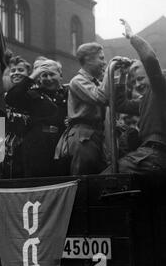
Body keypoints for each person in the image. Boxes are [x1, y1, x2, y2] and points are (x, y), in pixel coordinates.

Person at [55, 42, 137, 175]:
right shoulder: (77, 81)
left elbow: (115, 102)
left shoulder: (97, 83)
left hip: (98, 133)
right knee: (84, 177)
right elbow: (101, 97)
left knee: (100, 175)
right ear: (88, 59)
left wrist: (122, 75)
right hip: (84, 135)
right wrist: (111, 67)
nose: (104, 63)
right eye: (101, 58)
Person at [107, 20, 166, 175]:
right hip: (151, 152)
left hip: (155, 152)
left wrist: (132, 37)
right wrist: (123, 75)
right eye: (135, 81)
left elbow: (150, 59)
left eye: (140, 78)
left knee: (105, 179)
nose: (138, 84)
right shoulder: (148, 99)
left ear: (152, 76)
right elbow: (121, 104)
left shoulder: (160, 87)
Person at [5, 57, 68, 177]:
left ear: (60, 75)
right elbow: (11, 98)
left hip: (60, 144)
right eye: (44, 75)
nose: (48, 79)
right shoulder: (33, 94)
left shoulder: (67, 93)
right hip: (37, 146)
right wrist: (33, 76)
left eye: (52, 74)